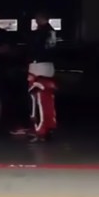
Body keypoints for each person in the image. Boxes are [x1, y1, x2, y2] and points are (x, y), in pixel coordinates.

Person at [23, 12, 59, 142]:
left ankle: (40, 130)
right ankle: (48, 127)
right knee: (47, 99)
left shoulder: (40, 33)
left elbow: (34, 48)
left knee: (37, 99)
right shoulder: (51, 31)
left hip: (38, 66)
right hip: (48, 67)